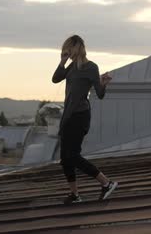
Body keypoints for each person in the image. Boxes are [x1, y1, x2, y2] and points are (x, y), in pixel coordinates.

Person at [52, 35, 117, 205]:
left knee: (72, 156)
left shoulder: (91, 67)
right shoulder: (72, 66)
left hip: (80, 116)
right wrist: (62, 62)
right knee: (65, 159)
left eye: (69, 48)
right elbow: (55, 79)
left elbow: (100, 94)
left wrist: (103, 83)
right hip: (68, 116)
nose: (66, 52)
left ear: (77, 47)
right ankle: (75, 195)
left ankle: (107, 183)